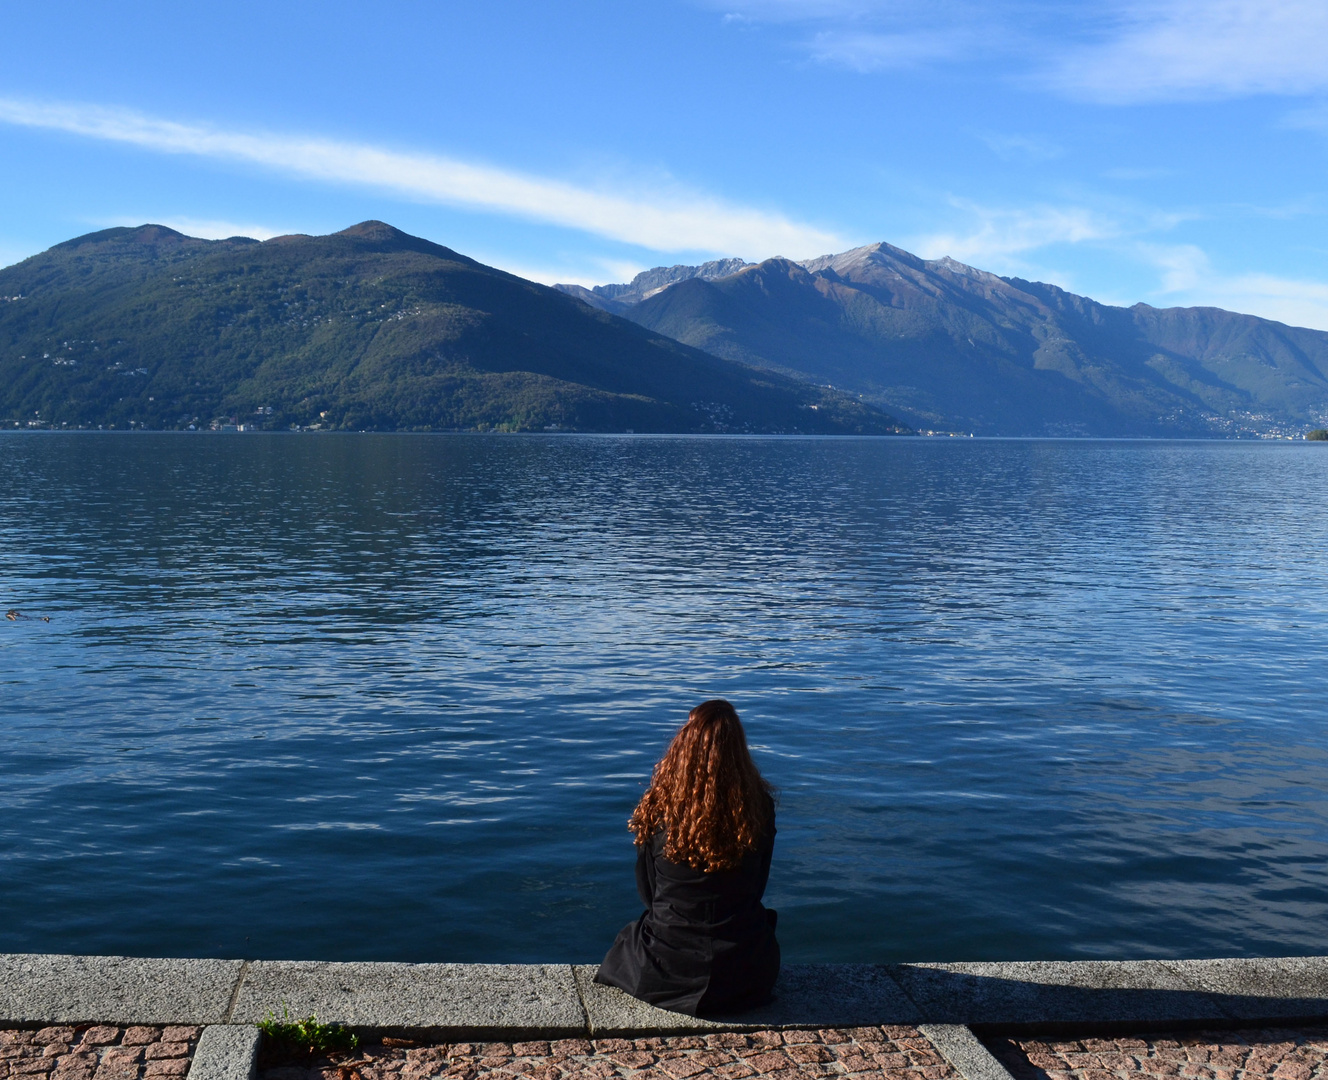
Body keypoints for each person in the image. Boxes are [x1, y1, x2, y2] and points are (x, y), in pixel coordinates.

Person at [594, 699, 780, 1016]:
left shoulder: (658, 808)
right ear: (739, 750)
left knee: (628, 939)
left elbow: (649, 894)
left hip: (665, 968)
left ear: (683, 744)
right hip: (743, 969)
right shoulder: (759, 808)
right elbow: (757, 888)